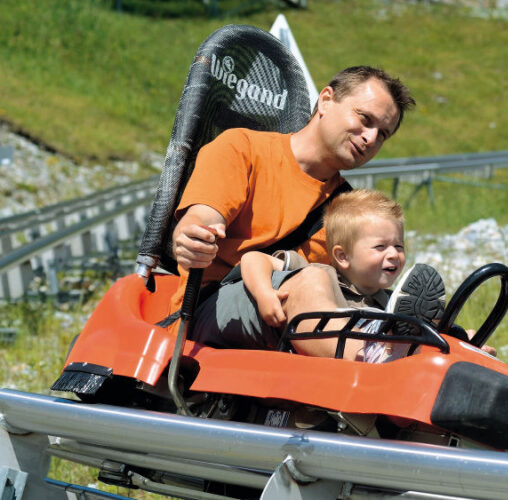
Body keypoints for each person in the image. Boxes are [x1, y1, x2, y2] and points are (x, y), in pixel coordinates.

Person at [168, 66, 416, 358]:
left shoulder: (346, 209)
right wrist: (192, 239)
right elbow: (200, 221)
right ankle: (374, 362)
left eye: (382, 134)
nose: (370, 138)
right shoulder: (243, 148)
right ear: (326, 100)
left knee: (353, 297)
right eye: (364, 119)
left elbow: (362, 286)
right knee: (313, 279)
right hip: (208, 309)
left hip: (294, 321)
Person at [197, 189, 445, 361]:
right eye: (380, 247)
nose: (393, 254)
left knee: (413, 324)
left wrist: (461, 338)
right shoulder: (318, 273)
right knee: (315, 278)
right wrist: (264, 294)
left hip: (355, 363)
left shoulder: (390, 303)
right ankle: (367, 353)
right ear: (343, 256)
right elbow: (253, 259)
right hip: (247, 327)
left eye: (398, 246)